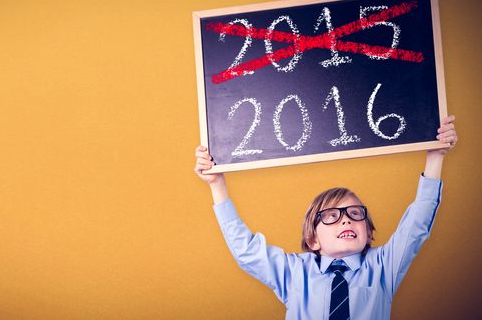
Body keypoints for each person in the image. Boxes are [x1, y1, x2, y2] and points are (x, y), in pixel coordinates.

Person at [194, 115, 458, 320]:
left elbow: (416, 225)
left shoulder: (382, 267)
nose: (346, 220)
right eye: (331, 216)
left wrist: (435, 156)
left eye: (355, 214)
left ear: (367, 233)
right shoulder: (294, 273)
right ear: (312, 239)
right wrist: (216, 185)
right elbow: (246, 250)